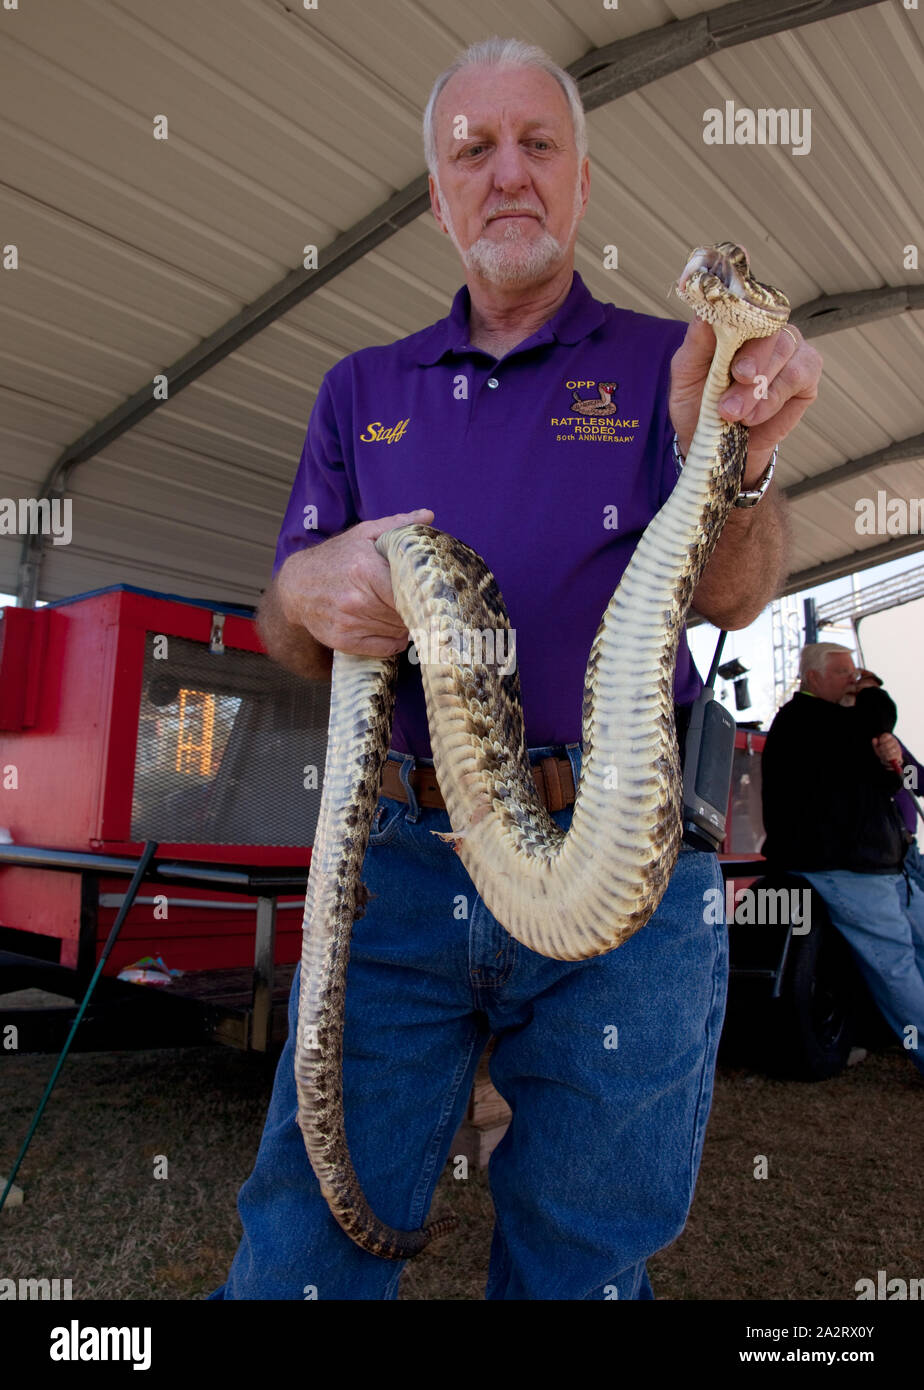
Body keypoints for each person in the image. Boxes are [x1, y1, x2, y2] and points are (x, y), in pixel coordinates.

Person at [211, 37, 823, 1300]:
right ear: (437, 197)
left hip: (629, 880)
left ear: (583, 181)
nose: (507, 175)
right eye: (471, 151)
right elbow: (288, 633)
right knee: (297, 1262)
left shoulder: (677, 364)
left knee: (583, 1270)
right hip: (407, 855)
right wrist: (305, 589)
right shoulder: (358, 391)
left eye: (537, 145)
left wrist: (741, 453)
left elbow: (737, 587)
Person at [761, 643, 924, 1080]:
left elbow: (892, 782)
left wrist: (885, 756)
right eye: (843, 672)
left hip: (883, 865)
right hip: (845, 866)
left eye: (856, 672)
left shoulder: (841, 726)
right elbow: (876, 712)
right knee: (895, 963)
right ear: (812, 678)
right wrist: (870, 688)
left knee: (909, 954)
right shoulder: (803, 718)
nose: (852, 679)